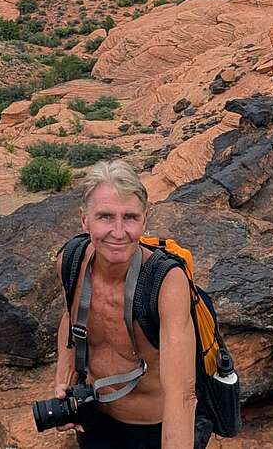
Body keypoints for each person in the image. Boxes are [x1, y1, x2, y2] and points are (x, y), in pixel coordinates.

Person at [52, 160, 208, 448]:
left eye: (130, 217)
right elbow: (69, 317)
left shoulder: (166, 283)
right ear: (84, 219)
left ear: (145, 220)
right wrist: (65, 378)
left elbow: (182, 396)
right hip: (95, 420)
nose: (119, 231)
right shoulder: (71, 261)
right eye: (106, 217)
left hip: (154, 430)